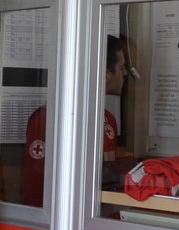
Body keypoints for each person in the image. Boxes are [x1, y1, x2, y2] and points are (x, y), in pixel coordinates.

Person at [20, 34, 127, 205]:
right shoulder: (47, 119)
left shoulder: (109, 120)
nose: (125, 74)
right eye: (121, 68)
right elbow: (35, 190)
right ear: (107, 74)